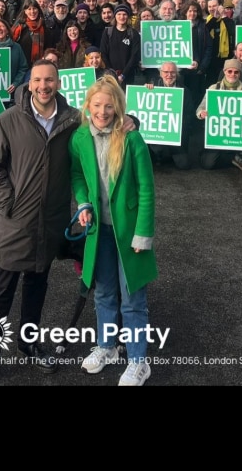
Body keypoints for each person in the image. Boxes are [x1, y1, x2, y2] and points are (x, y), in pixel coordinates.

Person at [0, 58, 135, 386]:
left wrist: (131, 120)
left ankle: (28, 341)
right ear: (29, 84)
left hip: (51, 222)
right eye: (37, 80)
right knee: (0, 292)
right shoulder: (10, 119)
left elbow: (105, 119)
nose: (43, 86)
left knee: (37, 284)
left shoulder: (73, 121)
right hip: (15, 222)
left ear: (58, 83)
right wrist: (8, 202)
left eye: (49, 80)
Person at [71, 75, 158, 386]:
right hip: (99, 231)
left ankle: (138, 361)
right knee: (104, 293)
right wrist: (82, 203)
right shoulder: (80, 136)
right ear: (88, 106)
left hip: (130, 232)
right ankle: (108, 348)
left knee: (133, 298)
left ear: (118, 106)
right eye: (97, 105)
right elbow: (77, 176)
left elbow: (147, 190)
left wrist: (143, 234)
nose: (102, 111)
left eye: (109, 105)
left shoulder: (132, 139)